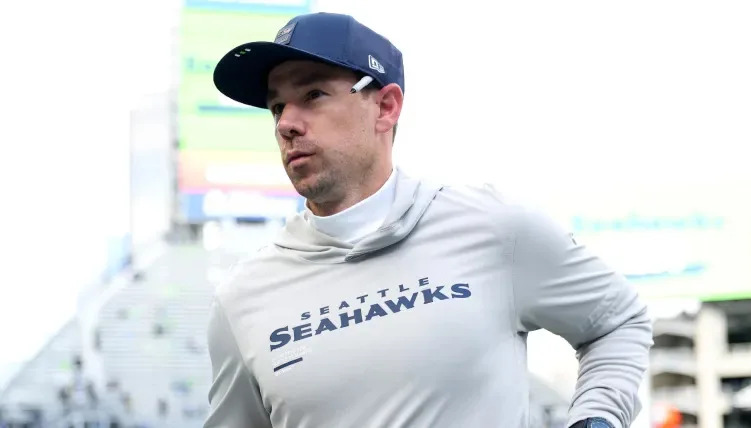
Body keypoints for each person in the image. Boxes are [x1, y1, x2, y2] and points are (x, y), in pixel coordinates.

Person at [205, 11, 653, 428]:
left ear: (386, 107)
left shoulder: (495, 229)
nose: (286, 124)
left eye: (313, 95)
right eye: (276, 107)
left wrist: (598, 417)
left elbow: (617, 322)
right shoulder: (243, 300)